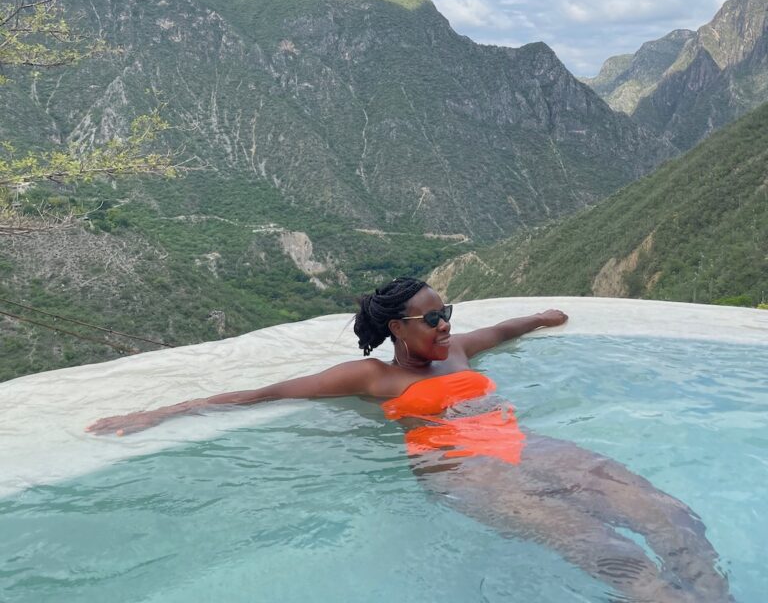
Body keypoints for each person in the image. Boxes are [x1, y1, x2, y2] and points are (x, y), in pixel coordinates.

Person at [87, 278, 734, 602]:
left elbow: (503, 331)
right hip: (456, 468)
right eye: (433, 318)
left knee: (666, 512)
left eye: (448, 311)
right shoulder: (371, 376)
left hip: (521, 444)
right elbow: (265, 395)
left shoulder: (457, 351)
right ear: (399, 326)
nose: (447, 323)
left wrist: (538, 316)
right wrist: (162, 414)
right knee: (605, 549)